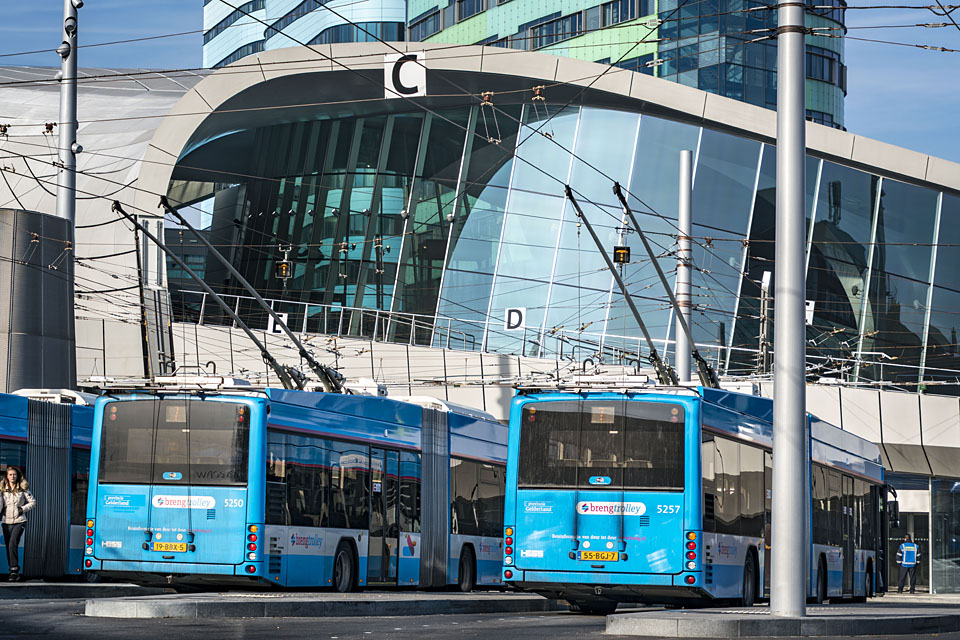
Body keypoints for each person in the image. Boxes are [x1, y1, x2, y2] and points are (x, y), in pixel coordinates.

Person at [1, 467, 36, 581]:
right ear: (7, 476)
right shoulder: (2, 489)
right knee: (9, 547)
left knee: (12, 544)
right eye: (10, 474)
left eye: (14, 474)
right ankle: (12, 569)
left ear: (17, 476)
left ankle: (14, 571)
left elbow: (33, 502)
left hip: (19, 521)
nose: (12, 477)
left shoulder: (23, 488)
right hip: (6, 521)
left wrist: (22, 509)